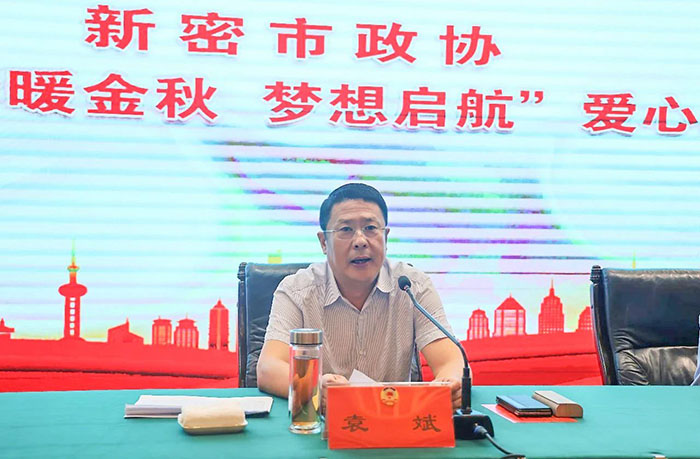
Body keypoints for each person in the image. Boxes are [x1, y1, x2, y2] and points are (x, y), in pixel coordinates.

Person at [257, 182, 464, 409]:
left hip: (393, 418)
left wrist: (451, 383)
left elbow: (450, 361)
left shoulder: (412, 286)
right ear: (324, 242)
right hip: (323, 421)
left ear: (385, 236)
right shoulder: (296, 290)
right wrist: (314, 387)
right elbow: (268, 368)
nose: (360, 241)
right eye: (346, 230)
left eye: (370, 228)